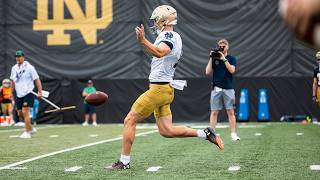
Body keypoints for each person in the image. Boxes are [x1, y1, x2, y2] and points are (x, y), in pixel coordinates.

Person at [107, 5, 224, 170]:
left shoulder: (169, 35)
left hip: (159, 89)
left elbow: (160, 52)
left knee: (129, 120)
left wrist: (143, 41)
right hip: (166, 89)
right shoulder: (171, 35)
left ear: (163, 20)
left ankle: (124, 162)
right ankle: (205, 134)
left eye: (156, 19)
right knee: (167, 131)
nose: (154, 23)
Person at [205, 39, 240, 141]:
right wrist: (212, 57)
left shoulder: (231, 58)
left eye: (224, 46)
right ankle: (212, 134)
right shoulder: (215, 58)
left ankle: (233, 133)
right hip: (216, 88)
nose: (222, 48)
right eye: (220, 46)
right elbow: (207, 72)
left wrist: (223, 58)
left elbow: (232, 70)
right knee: (214, 112)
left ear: (227, 47)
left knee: (230, 111)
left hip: (228, 88)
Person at [10, 50, 42, 138]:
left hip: (29, 92)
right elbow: (12, 81)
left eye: (19, 56)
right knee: (20, 113)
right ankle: (30, 128)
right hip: (19, 93)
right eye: (16, 56)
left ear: (23, 57)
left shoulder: (30, 67)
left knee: (25, 111)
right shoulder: (14, 68)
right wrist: (11, 92)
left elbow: (37, 79)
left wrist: (40, 91)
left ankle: (27, 132)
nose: (17, 58)